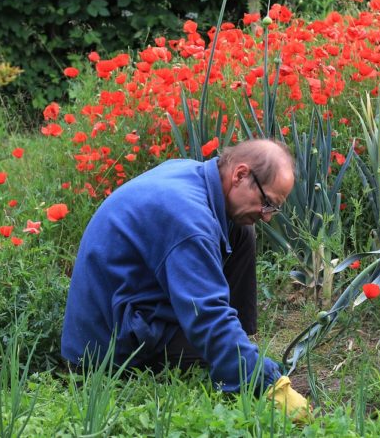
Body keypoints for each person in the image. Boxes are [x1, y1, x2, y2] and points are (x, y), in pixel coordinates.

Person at [61, 138, 310, 421]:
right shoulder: (189, 221)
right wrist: (263, 380)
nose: (267, 217)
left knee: (243, 230)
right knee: (219, 346)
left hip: (133, 303)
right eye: (267, 203)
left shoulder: (196, 176)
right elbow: (206, 315)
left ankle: (238, 346)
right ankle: (238, 365)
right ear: (240, 174)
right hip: (106, 345)